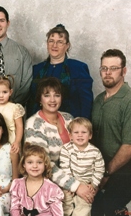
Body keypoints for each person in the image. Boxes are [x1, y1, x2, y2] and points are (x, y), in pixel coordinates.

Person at [90, 49, 131, 216]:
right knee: (92, 203)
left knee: (113, 203)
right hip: (105, 164)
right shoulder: (100, 100)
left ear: (124, 71)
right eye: (104, 68)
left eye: (114, 68)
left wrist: (106, 173)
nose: (108, 73)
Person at [24, 76, 94, 205]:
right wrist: (75, 186)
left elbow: (83, 151)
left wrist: (88, 181)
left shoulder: (69, 118)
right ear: (39, 99)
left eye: (57, 95)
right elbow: (44, 164)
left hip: (76, 178)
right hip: (49, 183)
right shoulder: (34, 125)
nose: (52, 100)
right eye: (46, 95)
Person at [26, 24, 93, 120]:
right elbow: (31, 101)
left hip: (71, 125)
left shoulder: (78, 68)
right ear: (47, 44)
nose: (54, 45)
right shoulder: (36, 69)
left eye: (60, 42)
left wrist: (82, 127)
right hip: (40, 125)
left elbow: (86, 103)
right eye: (51, 41)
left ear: (67, 46)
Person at [59, 117, 105, 216]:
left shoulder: (95, 152)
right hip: (70, 181)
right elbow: (64, 167)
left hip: (86, 182)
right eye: (76, 132)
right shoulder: (66, 149)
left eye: (84, 132)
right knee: (65, 203)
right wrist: (71, 185)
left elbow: (100, 169)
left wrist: (93, 184)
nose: (80, 135)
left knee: (84, 206)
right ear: (70, 136)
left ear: (90, 135)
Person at [10, 142, 64, 216]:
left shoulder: (52, 189)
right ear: (24, 164)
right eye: (30, 162)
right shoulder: (18, 184)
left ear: (45, 164)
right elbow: (14, 208)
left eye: (39, 162)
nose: (35, 166)